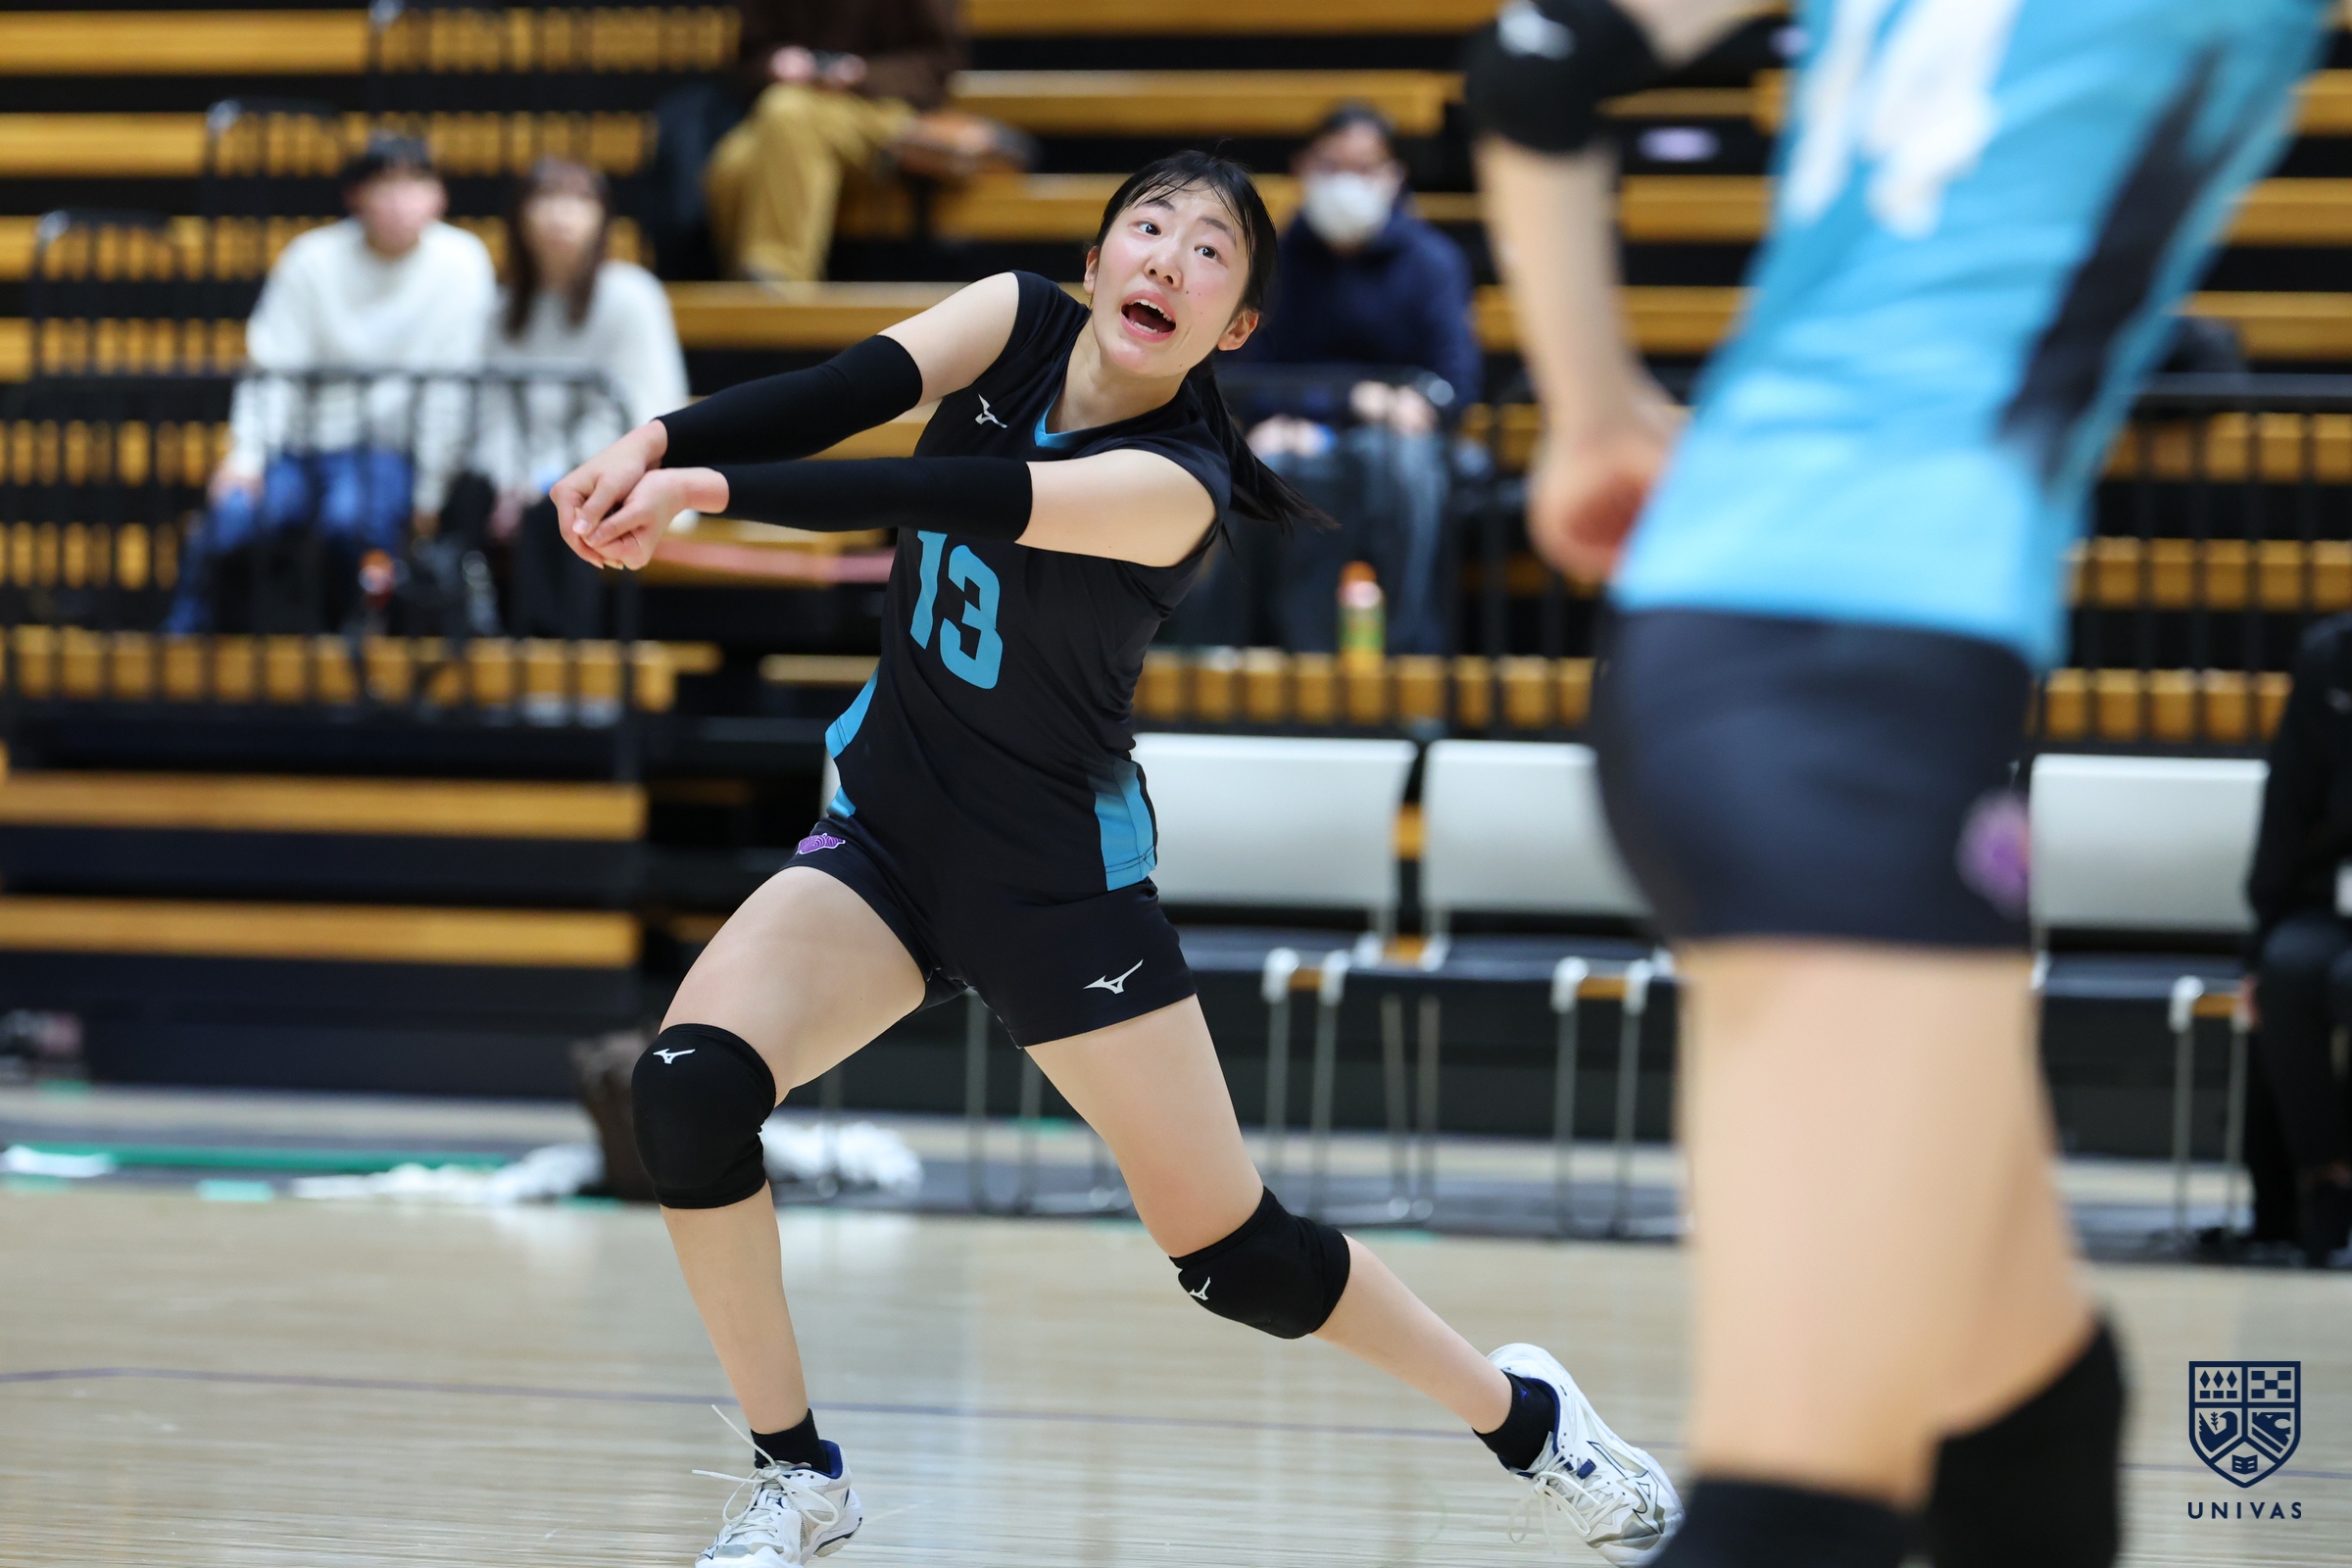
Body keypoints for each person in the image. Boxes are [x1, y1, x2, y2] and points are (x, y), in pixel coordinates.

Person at [553, 152, 1681, 1568]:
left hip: (1053, 890)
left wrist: (703, 488)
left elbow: (956, 488)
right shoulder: (1015, 319)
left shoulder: (1176, 482)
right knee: (686, 1093)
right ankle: (799, 1477)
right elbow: (842, 391)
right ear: (1094, 264)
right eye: (1148, 227)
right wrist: (652, 442)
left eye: (1211, 252)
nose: (1168, 258)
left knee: (1235, 1259)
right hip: (889, 840)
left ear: (1236, 326)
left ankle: (1527, 1417)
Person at [1468, 2, 2325, 1567]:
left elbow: (1536, 59)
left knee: (2032, 1398)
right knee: (1803, 1505)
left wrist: (1592, 416)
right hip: (1861, 686)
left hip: (1722, 647)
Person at [170, 133, 496, 634]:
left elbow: (450, 389)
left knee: (351, 523)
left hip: (386, 451)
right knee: (232, 519)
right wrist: (246, 458)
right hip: (298, 449)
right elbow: (271, 364)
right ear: (355, 196)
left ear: (439, 196)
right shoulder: (311, 258)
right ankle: (180, 640)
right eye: (383, 184)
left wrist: (430, 493)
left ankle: (353, 650)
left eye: (415, 183)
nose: (399, 200)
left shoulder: (462, 262)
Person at [1189, 103, 1481, 654]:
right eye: (1332, 165)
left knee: (1395, 461)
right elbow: (1244, 376)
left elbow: (1455, 384)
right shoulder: (1268, 264)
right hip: (1298, 433)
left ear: (1393, 175)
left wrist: (1403, 407)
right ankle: (1254, 656)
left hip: (1399, 442)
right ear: (1304, 167)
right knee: (1268, 464)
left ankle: (1406, 656)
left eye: (1364, 167)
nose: (1347, 181)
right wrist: (1350, 399)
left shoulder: (1434, 262)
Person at [479, 158, 688, 638]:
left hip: (625, 472)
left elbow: (626, 416)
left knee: (558, 513)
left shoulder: (631, 296)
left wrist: (541, 483)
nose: (561, 215)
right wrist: (509, 482)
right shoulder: (502, 309)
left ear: (603, 218)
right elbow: (492, 415)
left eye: (579, 200)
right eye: (545, 199)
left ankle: (559, 659)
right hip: (528, 483)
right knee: (470, 500)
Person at [703, 0, 962, 282]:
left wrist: (861, 73)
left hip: (884, 106)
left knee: (789, 113)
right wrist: (774, 61)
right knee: (734, 162)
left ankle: (781, 283)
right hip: (788, 104)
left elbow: (940, 62)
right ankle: (745, 294)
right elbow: (749, 52)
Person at [2242, 611, 2352, 1265]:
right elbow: (2286, 800)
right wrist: (2256, 946)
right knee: (2286, 972)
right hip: (2333, 896)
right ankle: (2326, 1177)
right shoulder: (2330, 656)